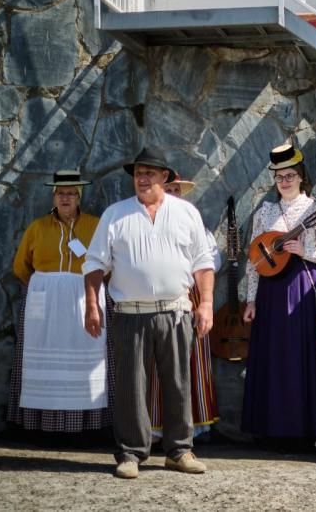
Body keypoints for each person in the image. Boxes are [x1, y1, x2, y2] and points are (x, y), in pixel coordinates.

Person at [83, 149, 215, 480]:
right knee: (131, 385)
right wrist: (91, 304)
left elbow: (202, 262)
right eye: (138, 173)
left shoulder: (186, 213)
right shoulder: (116, 214)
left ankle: (179, 451)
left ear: (165, 177)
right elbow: (95, 263)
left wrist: (207, 303)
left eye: (150, 173)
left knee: (178, 382)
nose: (142, 178)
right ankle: (131, 453)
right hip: (130, 313)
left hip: (175, 311)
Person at [241, 142, 316, 445]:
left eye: (290, 176)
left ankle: (306, 429)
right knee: (274, 356)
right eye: (279, 177)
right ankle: (272, 429)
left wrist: (305, 250)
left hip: (305, 287)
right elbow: (255, 260)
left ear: (301, 177)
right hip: (271, 291)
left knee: (305, 354)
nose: (285, 181)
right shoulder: (265, 212)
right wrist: (250, 299)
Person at [7, 170, 112, 435]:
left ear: (79, 198)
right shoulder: (38, 227)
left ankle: (88, 427)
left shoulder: (95, 225)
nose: (65, 198)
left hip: (83, 298)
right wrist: (46, 286)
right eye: (60, 193)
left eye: (71, 194)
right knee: (40, 359)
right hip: (45, 300)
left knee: (87, 360)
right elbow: (21, 266)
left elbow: (109, 262)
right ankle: (41, 425)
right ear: (53, 197)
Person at [148, 177, 221, 440]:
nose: (174, 194)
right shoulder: (149, 222)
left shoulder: (194, 223)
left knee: (194, 358)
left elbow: (212, 260)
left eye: (177, 190)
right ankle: (156, 429)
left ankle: (195, 427)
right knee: (157, 360)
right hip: (158, 295)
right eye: (169, 190)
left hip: (191, 294)